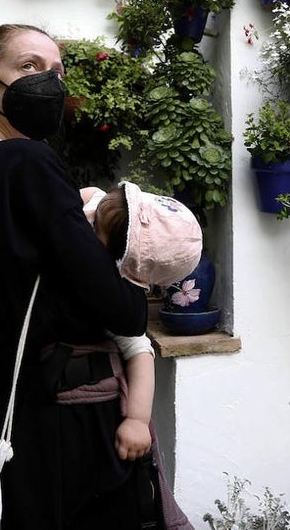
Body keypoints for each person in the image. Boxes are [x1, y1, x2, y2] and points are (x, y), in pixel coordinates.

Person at [0, 24, 152, 530]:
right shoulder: (27, 161)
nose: (48, 83)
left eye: (56, 72)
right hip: (61, 419)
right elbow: (117, 308)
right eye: (29, 67)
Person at [79, 182, 203, 466]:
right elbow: (88, 195)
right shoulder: (97, 201)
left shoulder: (110, 299)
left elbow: (140, 352)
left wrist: (137, 419)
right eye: (98, 211)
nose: (86, 219)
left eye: (95, 228)